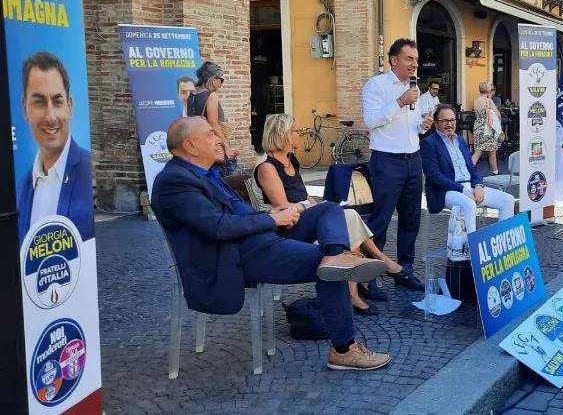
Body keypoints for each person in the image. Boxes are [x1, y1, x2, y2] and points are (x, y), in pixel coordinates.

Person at [151, 117, 391, 370]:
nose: (219, 139)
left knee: (329, 209)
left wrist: (274, 217)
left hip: (256, 241)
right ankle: (344, 350)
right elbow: (217, 227)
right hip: (232, 257)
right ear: (190, 145)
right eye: (211, 135)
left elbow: (241, 213)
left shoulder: (204, 174)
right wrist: (273, 219)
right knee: (329, 270)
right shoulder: (174, 181)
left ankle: (336, 254)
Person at [254, 114, 406, 316]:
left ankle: (352, 292)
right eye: (296, 131)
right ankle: (376, 259)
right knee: (341, 214)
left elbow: (303, 195)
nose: (300, 135)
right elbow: (283, 207)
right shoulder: (267, 167)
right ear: (283, 134)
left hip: (305, 219)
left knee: (347, 217)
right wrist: (311, 207)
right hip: (288, 228)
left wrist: (314, 204)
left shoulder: (292, 161)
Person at [361, 38, 432, 295]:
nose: (414, 64)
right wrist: (400, 102)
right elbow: (370, 120)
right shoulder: (376, 86)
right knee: (379, 220)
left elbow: (410, 127)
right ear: (393, 60)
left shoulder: (415, 88)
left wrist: (422, 126)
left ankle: (405, 270)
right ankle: (370, 276)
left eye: (416, 59)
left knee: (410, 219)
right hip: (387, 161)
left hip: (413, 160)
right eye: (409, 59)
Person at [17, 52, 93, 243]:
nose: (50, 116)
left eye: (57, 101)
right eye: (39, 102)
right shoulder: (21, 187)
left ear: (70, 106)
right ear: (25, 107)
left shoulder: (89, 170)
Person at [421, 105, 515, 233]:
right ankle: (470, 249)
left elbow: (472, 167)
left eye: (452, 120)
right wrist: (462, 190)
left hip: (470, 187)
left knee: (508, 200)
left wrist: (478, 185)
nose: (449, 124)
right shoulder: (429, 143)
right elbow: (434, 177)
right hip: (446, 190)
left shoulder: (461, 140)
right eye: (445, 121)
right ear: (436, 123)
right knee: (469, 204)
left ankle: (504, 245)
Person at [187, 61, 238, 175]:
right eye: (221, 79)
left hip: (197, 145)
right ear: (213, 79)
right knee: (224, 177)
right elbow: (213, 123)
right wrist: (226, 146)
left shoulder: (192, 95)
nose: (221, 83)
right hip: (212, 145)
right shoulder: (211, 95)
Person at [472, 81, 501, 175]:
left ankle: (468, 169)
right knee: (492, 151)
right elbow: (497, 114)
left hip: (477, 126)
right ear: (488, 90)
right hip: (487, 127)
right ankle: (495, 171)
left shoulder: (476, 100)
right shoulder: (489, 101)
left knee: (478, 150)